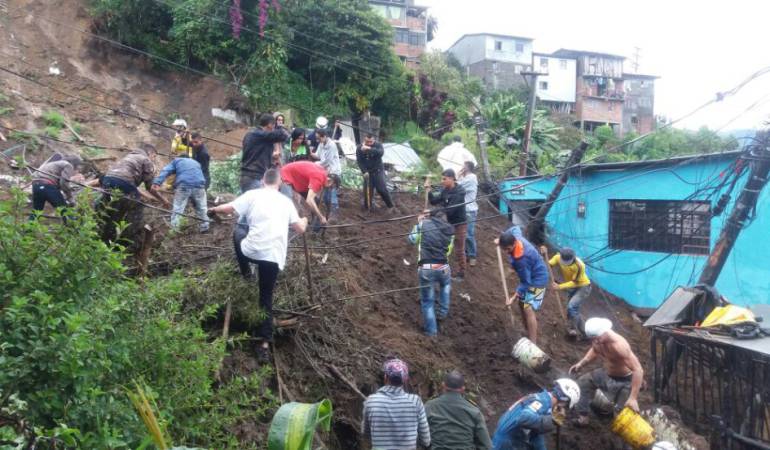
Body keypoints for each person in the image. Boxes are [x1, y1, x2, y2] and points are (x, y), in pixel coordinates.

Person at [208, 169, 308, 362]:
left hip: (251, 251)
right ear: (279, 183)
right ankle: (263, 343)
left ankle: (246, 272)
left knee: (238, 233)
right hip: (273, 257)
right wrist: (304, 219)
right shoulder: (286, 202)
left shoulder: (252, 194)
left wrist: (213, 210)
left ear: (263, 181)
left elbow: (229, 208)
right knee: (266, 296)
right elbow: (300, 228)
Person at [569, 317, 644, 426]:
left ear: (604, 332)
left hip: (624, 382)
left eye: (597, 338)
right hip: (606, 374)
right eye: (593, 339)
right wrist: (581, 364)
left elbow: (638, 369)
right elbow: (594, 350)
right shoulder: (597, 340)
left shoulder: (619, 346)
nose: (595, 341)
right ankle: (583, 418)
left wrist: (633, 398)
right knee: (583, 382)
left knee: (621, 417)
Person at [98, 144, 168, 247]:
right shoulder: (145, 159)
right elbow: (150, 188)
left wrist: (149, 197)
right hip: (123, 183)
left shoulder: (127, 157)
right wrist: (163, 200)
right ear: (151, 153)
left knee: (111, 210)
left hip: (107, 180)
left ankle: (102, 238)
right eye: (154, 157)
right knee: (137, 205)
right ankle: (125, 241)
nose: (153, 159)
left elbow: (132, 185)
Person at [491, 378, 580, 450]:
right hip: (506, 443)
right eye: (566, 406)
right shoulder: (542, 402)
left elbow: (535, 433)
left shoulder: (545, 401)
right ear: (564, 400)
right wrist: (552, 421)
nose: (563, 410)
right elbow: (524, 418)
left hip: (511, 439)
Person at [362, 359, 431, 450]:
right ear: (405, 379)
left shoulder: (371, 401)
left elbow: (366, 433)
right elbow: (426, 440)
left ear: (385, 377)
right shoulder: (415, 401)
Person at [497, 226, 549, 343]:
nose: (506, 252)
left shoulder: (522, 260)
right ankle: (527, 329)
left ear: (514, 243)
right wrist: (500, 239)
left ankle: (533, 342)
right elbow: (514, 228)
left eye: (508, 249)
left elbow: (526, 282)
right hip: (531, 274)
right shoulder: (516, 236)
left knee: (527, 307)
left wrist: (513, 297)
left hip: (538, 279)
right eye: (503, 249)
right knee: (522, 303)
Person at [408, 210, 454, 336]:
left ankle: (431, 332)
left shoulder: (424, 225)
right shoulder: (450, 231)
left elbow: (412, 239)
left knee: (428, 302)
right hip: (443, 267)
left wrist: (417, 225)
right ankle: (442, 312)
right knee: (446, 285)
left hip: (426, 268)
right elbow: (448, 251)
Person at [425, 370, 492, 450]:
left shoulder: (430, 406)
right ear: (463, 389)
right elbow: (486, 446)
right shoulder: (474, 411)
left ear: (443, 385)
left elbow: (420, 435)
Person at [426, 169, 467, 280]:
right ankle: (440, 268)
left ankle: (461, 273)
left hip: (460, 223)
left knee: (459, 248)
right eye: (442, 178)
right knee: (443, 245)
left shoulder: (460, 192)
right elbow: (434, 201)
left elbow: (450, 210)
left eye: (444, 179)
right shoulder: (445, 190)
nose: (442, 181)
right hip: (449, 222)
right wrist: (429, 191)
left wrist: (431, 212)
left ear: (452, 178)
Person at [151, 157, 209, 233]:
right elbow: (193, 175)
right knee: (202, 207)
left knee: (178, 208)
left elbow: (166, 170)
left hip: (184, 185)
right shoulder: (196, 163)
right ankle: (204, 227)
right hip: (200, 186)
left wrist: (157, 182)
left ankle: (174, 229)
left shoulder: (177, 160)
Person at [547, 247, 591, 338]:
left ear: (573, 258)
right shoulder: (558, 257)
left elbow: (575, 282)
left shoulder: (579, 266)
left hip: (582, 287)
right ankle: (581, 332)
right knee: (572, 310)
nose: (564, 263)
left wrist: (559, 286)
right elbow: (549, 265)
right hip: (571, 287)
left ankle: (577, 331)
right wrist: (544, 255)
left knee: (572, 307)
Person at [240, 113, 289, 193]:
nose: (273, 129)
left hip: (248, 176)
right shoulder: (260, 135)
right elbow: (283, 135)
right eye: (274, 126)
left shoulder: (250, 134)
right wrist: (280, 127)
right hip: (254, 176)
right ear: (270, 125)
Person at [30, 155, 82, 222]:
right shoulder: (68, 165)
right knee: (64, 210)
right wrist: (70, 197)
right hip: (47, 186)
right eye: (78, 166)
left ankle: (27, 230)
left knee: (36, 211)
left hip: (36, 186)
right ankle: (73, 228)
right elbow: (64, 183)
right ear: (75, 163)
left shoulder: (53, 164)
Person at [280, 160, 333, 225]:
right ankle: (295, 227)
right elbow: (309, 200)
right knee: (292, 205)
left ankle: (313, 223)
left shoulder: (323, 174)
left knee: (315, 201)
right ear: (329, 181)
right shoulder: (318, 178)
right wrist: (321, 217)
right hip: (286, 175)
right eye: (331, 187)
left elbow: (316, 192)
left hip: (299, 179)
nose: (330, 189)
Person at [356, 133, 394, 209]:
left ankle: (390, 206)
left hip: (378, 170)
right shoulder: (359, 148)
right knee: (367, 191)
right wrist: (364, 171)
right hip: (368, 172)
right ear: (364, 140)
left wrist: (369, 148)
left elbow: (380, 153)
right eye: (367, 142)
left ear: (374, 140)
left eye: (371, 142)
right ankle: (369, 207)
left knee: (381, 189)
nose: (369, 143)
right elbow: (360, 161)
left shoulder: (378, 145)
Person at [315, 129, 341, 218]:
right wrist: (310, 153)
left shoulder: (332, 145)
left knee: (330, 193)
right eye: (317, 138)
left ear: (324, 136)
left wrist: (315, 165)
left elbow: (327, 162)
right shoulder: (321, 144)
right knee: (326, 195)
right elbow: (317, 155)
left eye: (319, 138)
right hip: (324, 171)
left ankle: (334, 213)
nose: (318, 140)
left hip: (333, 171)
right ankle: (328, 211)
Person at [458, 160, 479, 267]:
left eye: (463, 165)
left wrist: (458, 175)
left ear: (467, 167)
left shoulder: (472, 178)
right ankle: (466, 254)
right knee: (462, 234)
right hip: (463, 210)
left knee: (469, 234)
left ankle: (472, 256)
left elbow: (458, 186)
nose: (461, 167)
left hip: (470, 210)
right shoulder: (465, 178)